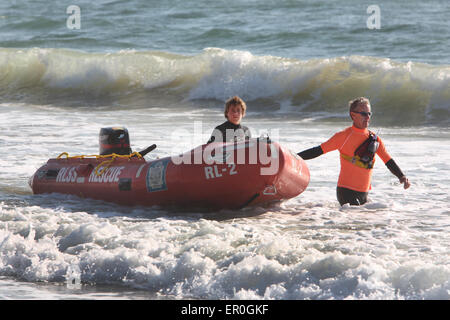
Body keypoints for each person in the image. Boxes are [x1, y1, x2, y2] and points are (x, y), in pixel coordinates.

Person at [297, 97, 411, 206]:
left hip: (364, 193)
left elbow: (388, 160)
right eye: (363, 114)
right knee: (355, 223)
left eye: (369, 114)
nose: (367, 117)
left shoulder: (374, 139)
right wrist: (295, 157)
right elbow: (318, 150)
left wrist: (401, 176)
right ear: (353, 115)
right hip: (346, 191)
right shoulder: (343, 137)